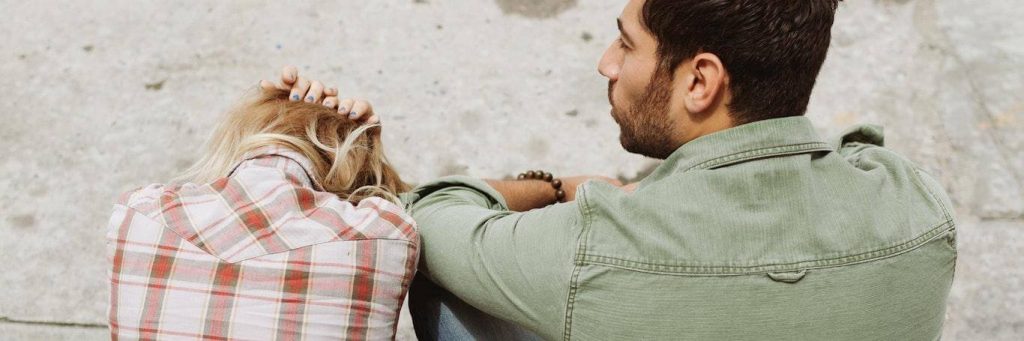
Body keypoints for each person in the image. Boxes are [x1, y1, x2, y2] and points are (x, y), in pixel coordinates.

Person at [278, 0, 957, 339]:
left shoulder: (597, 245)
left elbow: (429, 211)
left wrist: (558, 188)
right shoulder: (917, 204)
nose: (607, 62)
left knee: (449, 290)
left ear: (701, 82)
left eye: (627, 44)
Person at [106, 87, 417, 339]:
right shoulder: (383, 236)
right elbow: (405, 206)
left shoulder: (140, 215)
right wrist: (366, 143)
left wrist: (270, 110)